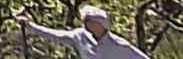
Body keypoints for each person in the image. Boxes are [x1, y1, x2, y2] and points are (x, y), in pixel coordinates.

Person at [21, 5, 149, 59]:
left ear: (99, 24)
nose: (84, 23)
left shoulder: (119, 45)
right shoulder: (79, 36)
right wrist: (30, 25)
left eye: (88, 20)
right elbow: (55, 35)